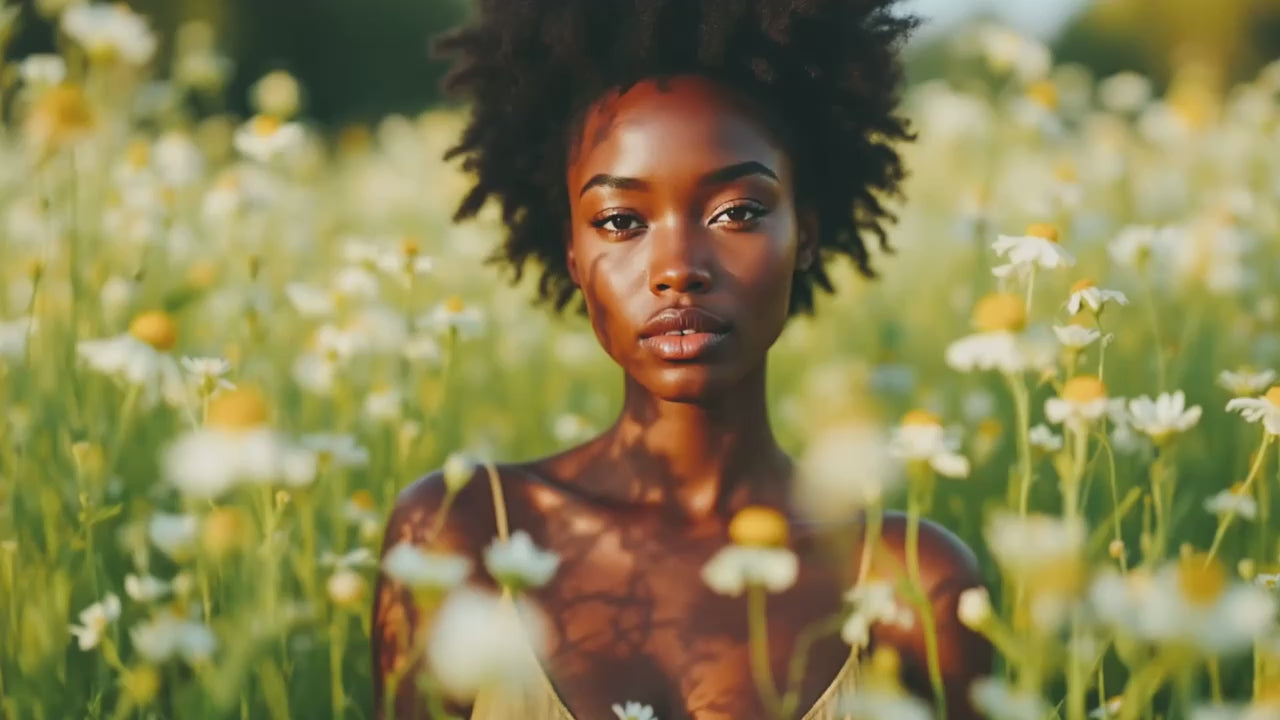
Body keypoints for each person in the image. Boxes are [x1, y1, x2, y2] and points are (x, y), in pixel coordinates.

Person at [372, 1, 993, 718]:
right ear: (573, 251)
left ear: (808, 233)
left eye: (737, 212)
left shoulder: (914, 584)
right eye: (621, 222)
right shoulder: (459, 532)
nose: (677, 268)